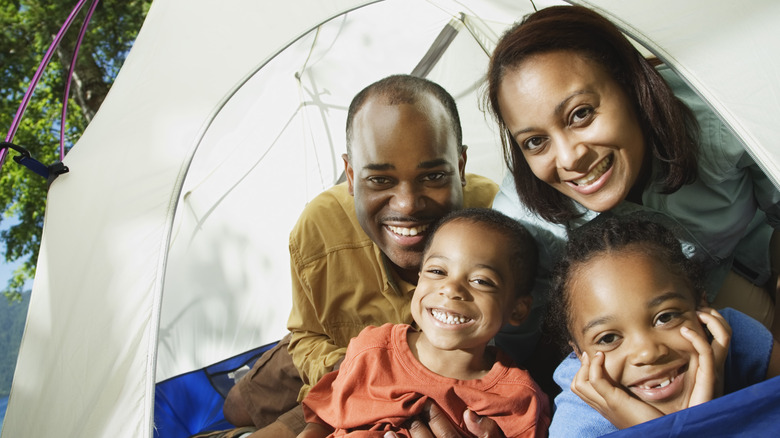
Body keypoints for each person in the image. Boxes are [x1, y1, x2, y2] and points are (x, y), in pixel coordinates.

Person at [198, 75, 499, 438]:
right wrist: (347, 364)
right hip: (335, 350)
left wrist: (358, 389)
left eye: (433, 175)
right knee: (236, 407)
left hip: (394, 388)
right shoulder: (320, 226)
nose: (406, 204)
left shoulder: (500, 230)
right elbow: (307, 333)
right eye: (380, 180)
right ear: (352, 176)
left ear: (461, 165)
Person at [484, 4, 780, 350]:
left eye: (580, 114)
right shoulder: (522, 226)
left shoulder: (719, 116)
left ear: (630, 84)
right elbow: (519, 348)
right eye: (535, 142)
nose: (570, 158)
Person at [299, 208, 550, 438]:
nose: (450, 289)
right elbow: (322, 419)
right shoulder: (372, 351)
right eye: (437, 272)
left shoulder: (517, 400)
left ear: (517, 309)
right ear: (419, 279)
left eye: (481, 281)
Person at [545, 216, 780, 436]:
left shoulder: (734, 338)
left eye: (665, 317)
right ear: (578, 354)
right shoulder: (578, 427)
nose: (648, 352)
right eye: (608, 338)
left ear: (701, 308)